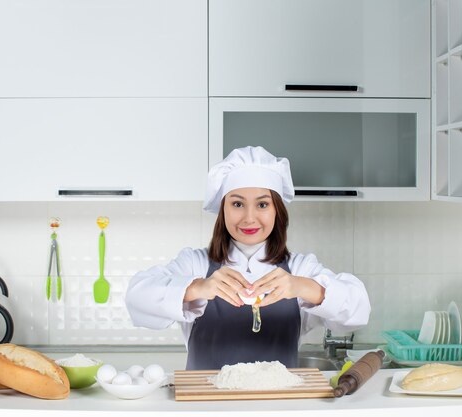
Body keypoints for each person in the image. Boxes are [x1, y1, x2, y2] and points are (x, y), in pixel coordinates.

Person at [125, 146, 370, 370]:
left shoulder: (299, 268)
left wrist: (303, 286)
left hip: (277, 406)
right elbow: (136, 296)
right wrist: (198, 287)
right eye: (237, 204)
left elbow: (358, 311)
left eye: (262, 205)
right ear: (223, 209)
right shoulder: (195, 264)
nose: (249, 218)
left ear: (277, 211)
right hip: (206, 405)